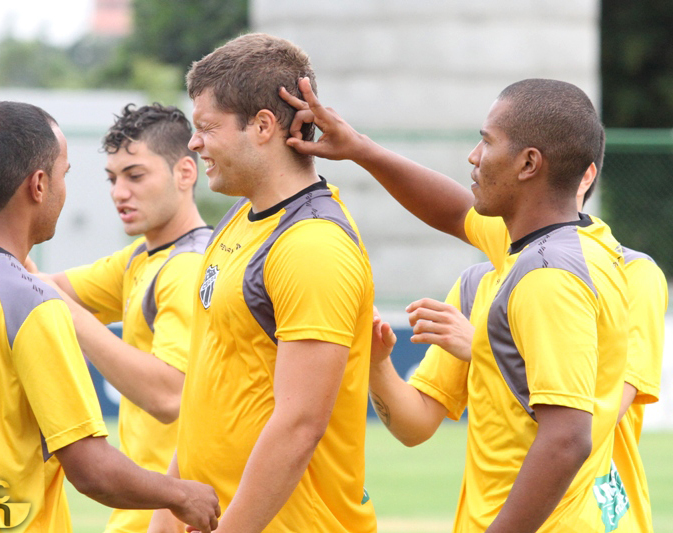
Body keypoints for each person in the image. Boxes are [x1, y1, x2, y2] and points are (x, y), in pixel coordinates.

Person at [281, 78, 629, 532]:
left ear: (528, 164)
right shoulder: (564, 245)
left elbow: (566, 440)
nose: (473, 156)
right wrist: (360, 149)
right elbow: (452, 212)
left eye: (486, 141)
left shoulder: (548, 277)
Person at [0, 101, 220, 533]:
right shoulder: (34, 304)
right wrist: (183, 495)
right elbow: (91, 470)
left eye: (134, 175)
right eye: (65, 174)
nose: (116, 192)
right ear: (39, 185)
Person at [150, 33, 377, 533]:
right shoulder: (239, 221)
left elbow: (300, 427)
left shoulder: (313, 244)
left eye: (207, 127)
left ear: (263, 126)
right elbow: (209, 396)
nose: (193, 142)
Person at [384, 161, 668, 532]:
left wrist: (482, 348)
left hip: (585, 520)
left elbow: (602, 411)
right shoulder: (476, 284)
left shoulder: (632, 273)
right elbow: (414, 426)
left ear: (585, 175)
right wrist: (377, 362)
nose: (476, 157)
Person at [35, 103, 212, 533]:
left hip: (178, 513)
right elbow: (37, 286)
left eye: (135, 175)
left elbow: (168, 396)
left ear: (185, 173)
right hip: (145, 510)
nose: (119, 192)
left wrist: (65, 311)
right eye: (113, 179)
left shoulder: (188, 266)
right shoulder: (143, 257)